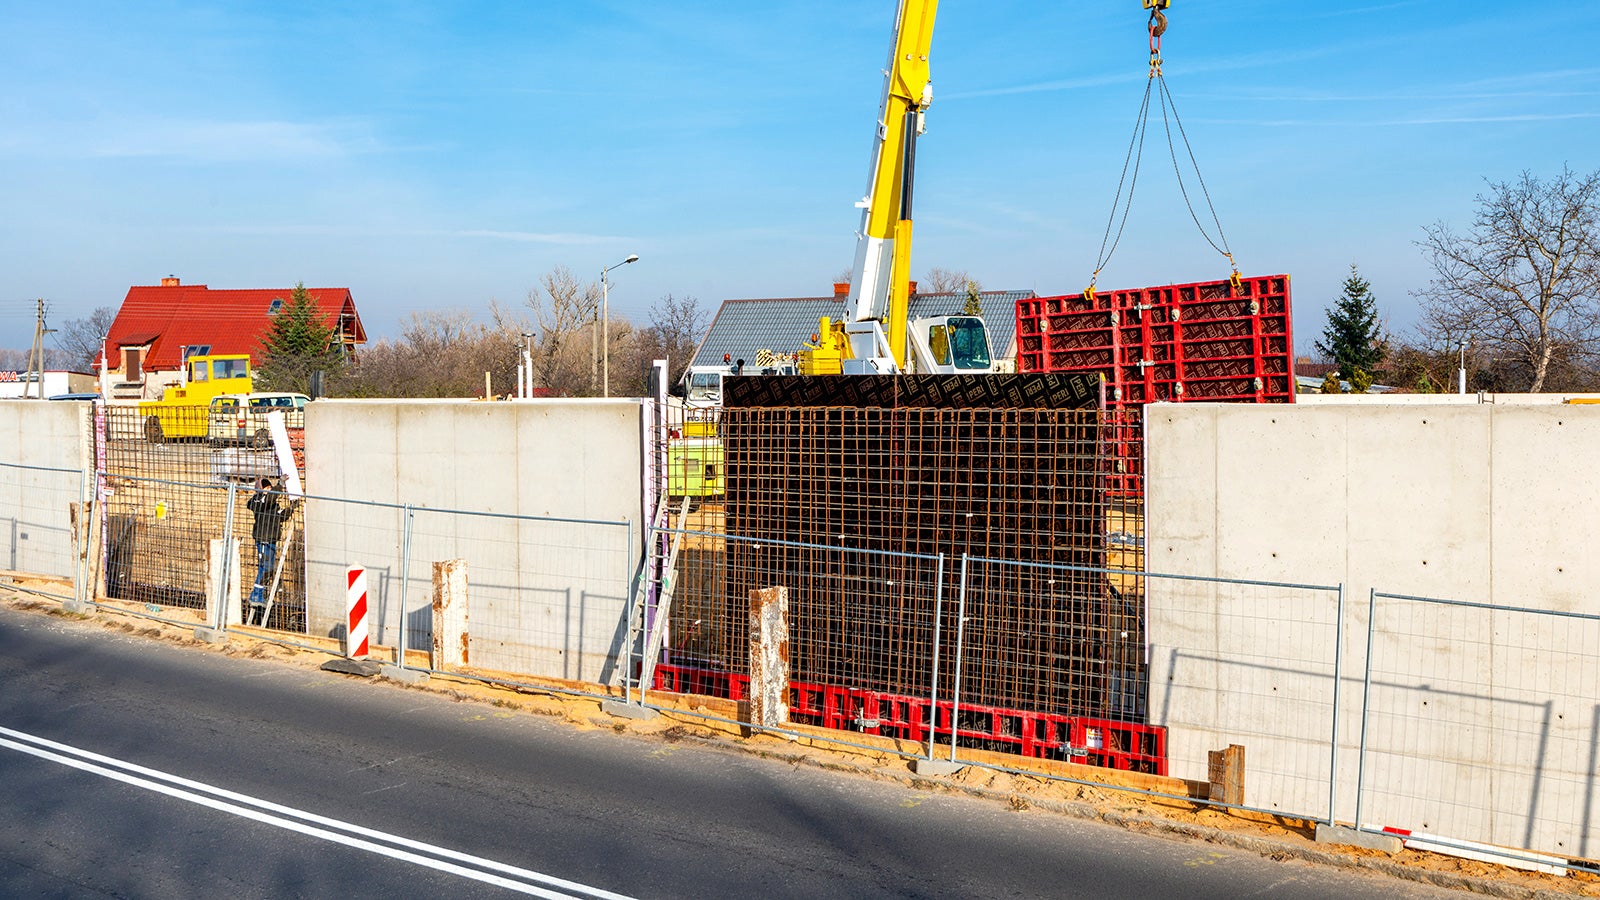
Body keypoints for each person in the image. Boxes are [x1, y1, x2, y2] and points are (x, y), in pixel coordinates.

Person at [246, 477, 289, 616]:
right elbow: (269, 499)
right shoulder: (257, 501)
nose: (268, 489)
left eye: (269, 487)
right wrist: (280, 485)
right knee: (265, 567)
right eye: (265, 487)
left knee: (268, 567)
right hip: (263, 539)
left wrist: (292, 508)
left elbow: (281, 516)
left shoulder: (272, 504)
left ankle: (257, 594)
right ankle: (256, 596)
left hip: (271, 539)